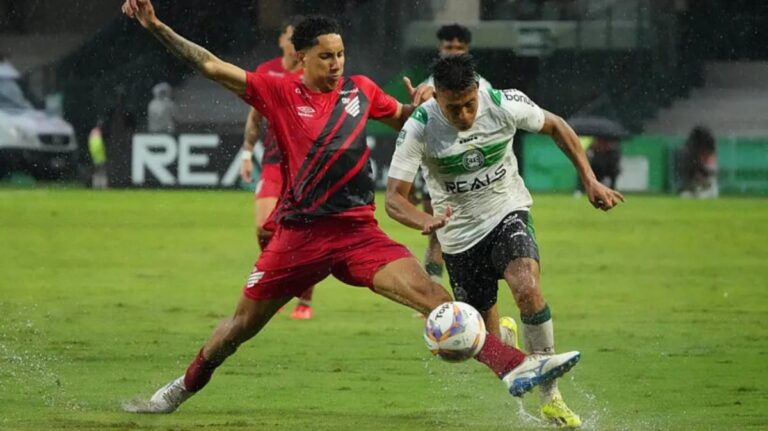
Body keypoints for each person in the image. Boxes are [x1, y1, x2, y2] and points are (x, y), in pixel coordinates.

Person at [120, 1, 581, 414]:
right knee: (239, 328)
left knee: (439, 302)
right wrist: (157, 26)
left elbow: (407, 118)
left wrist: (427, 101)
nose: (337, 63)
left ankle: (518, 368)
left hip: (359, 234)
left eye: (340, 54)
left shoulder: (359, 90)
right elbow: (212, 66)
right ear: (301, 57)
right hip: (299, 237)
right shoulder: (277, 92)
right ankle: (180, 388)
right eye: (326, 55)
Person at [385, 55, 625, 427]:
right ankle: (505, 334)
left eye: (469, 104)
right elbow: (393, 199)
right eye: (454, 108)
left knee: (526, 285)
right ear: (438, 100)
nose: (464, 114)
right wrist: (425, 219)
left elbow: (557, 126)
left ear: (477, 91)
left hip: (507, 210)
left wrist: (590, 180)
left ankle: (552, 398)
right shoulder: (420, 126)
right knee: (484, 344)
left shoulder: (502, 103)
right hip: (459, 236)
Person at [239, 16, 316, 320]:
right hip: (272, 162)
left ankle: (305, 301)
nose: (294, 40)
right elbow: (255, 117)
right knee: (264, 227)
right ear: (282, 40)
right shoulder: (266, 71)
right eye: (290, 34)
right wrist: (247, 153)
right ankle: (278, 281)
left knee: (306, 233)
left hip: (305, 165)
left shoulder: (312, 74)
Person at [406, 23, 493, 285]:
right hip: (436, 170)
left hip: (475, 169)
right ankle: (434, 294)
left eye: (459, 48)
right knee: (438, 231)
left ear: (467, 51)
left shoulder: (483, 87)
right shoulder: (424, 88)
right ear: (439, 49)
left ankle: (474, 289)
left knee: (480, 231)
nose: (453, 52)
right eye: (448, 47)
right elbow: (412, 136)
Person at [677, 125, 718, 199]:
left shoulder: (706, 158)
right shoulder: (689, 158)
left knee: (708, 193)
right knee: (686, 195)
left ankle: (702, 191)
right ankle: (698, 190)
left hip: (705, 181)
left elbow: (711, 171)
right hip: (696, 182)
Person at [88, 124, 108, 189]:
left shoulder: (91, 140)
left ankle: (96, 186)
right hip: (100, 159)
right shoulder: (98, 140)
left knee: (97, 173)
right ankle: (102, 186)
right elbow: (101, 149)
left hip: (95, 159)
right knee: (101, 173)